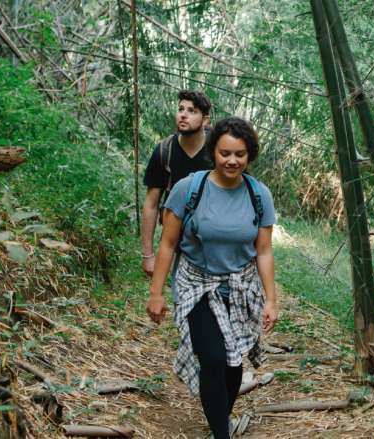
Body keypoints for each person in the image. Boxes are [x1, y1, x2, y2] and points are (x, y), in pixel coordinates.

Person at [146, 117, 278, 439]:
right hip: (196, 284)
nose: (232, 160)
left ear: (250, 155)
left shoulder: (259, 195)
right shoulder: (188, 189)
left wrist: (271, 300)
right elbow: (168, 243)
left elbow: (263, 251)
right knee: (214, 358)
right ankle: (222, 433)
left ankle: (220, 416)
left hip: (240, 285)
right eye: (225, 153)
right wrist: (156, 293)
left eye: (240, 154)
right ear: (213, 152)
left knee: (234, 365)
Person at [141, 89, 213, 277]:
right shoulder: (164, 151)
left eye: (192, 111)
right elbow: (151, 204)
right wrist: (147, 254)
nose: (183, 115)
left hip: (212, 241)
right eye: (181, 109)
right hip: (175, 241)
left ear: (205, 120)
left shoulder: (217, 152)